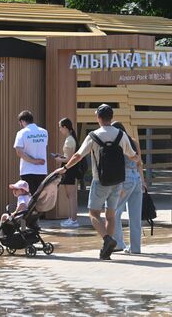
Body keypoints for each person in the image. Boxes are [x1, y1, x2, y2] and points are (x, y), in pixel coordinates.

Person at [55, 104, 138, 260]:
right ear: (111, 117)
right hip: (118, 180)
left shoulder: (93, 135)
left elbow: (78, 156)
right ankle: (107, 249)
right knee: (111, 215)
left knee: (93, 214)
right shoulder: (121, 135)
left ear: (98, 118)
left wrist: (65, 167)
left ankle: (107, 239)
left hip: (100, 181)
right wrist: (137, 159)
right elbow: (133, 155)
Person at [111, 121, 146, 254]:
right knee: (135, 216)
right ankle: (136, 248)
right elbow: (139, 163)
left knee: (113, 211)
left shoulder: (119, 142)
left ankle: (119, 243)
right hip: (136, 178)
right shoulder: (133, 141)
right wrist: (142, 181)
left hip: (125, 179)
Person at [13, 110, 48, 195]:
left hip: (27, 170)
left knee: (28, 198)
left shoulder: (21, 133)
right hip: (42, 171)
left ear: (22, 121)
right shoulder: (44, 132)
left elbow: (19, 152)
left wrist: (34, 161)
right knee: (39, 198)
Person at [55, 118, 80, 228]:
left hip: (70, 170)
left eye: (60, 127)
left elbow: (68, 158)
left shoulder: (69, 139)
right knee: (70, 195)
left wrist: (59, 159)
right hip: (70, 169)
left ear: (65, 127)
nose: (60, 130)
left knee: (71, 195)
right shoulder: (71, 138)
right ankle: (72, 218)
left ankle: (73, 219)